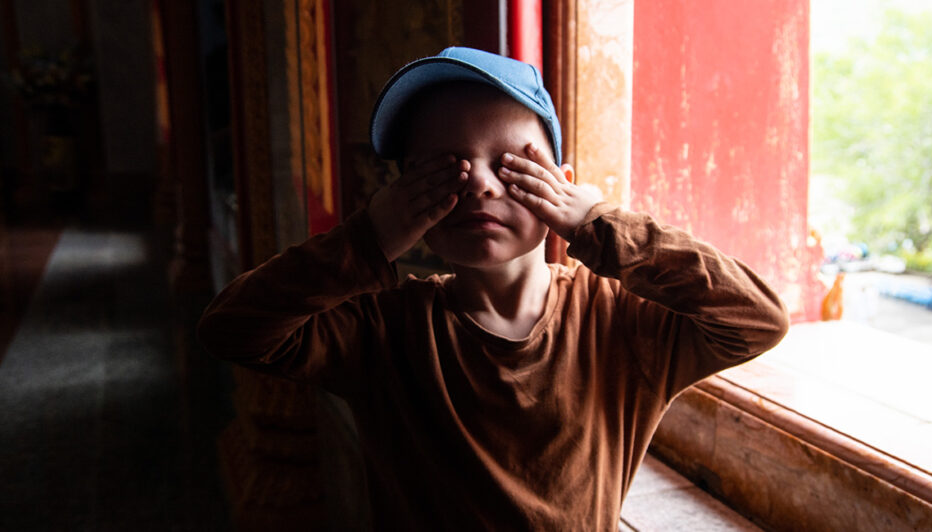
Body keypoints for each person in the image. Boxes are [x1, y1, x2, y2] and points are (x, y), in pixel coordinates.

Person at [197, 46, 789, 530]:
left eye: (511, 164)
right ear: (404, 197)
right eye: (445, 168)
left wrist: (603, 226)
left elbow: (757, 318)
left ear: (563, 184)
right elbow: (231, 328)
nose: (480, 185)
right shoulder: (384, 333)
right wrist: (367, 240)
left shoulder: (617, 323)